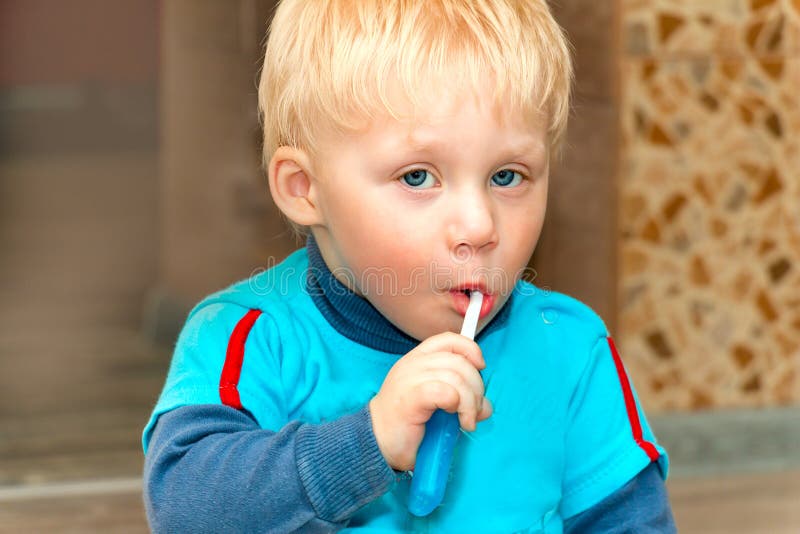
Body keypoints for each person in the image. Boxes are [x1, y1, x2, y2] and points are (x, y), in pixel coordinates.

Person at [142, 1, 676, 532]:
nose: (479, 226)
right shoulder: (251, 339)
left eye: (507, 176)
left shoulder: (570, 349)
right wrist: (367, 442)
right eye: (418, 177)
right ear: (304, 188)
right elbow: (184, 508)